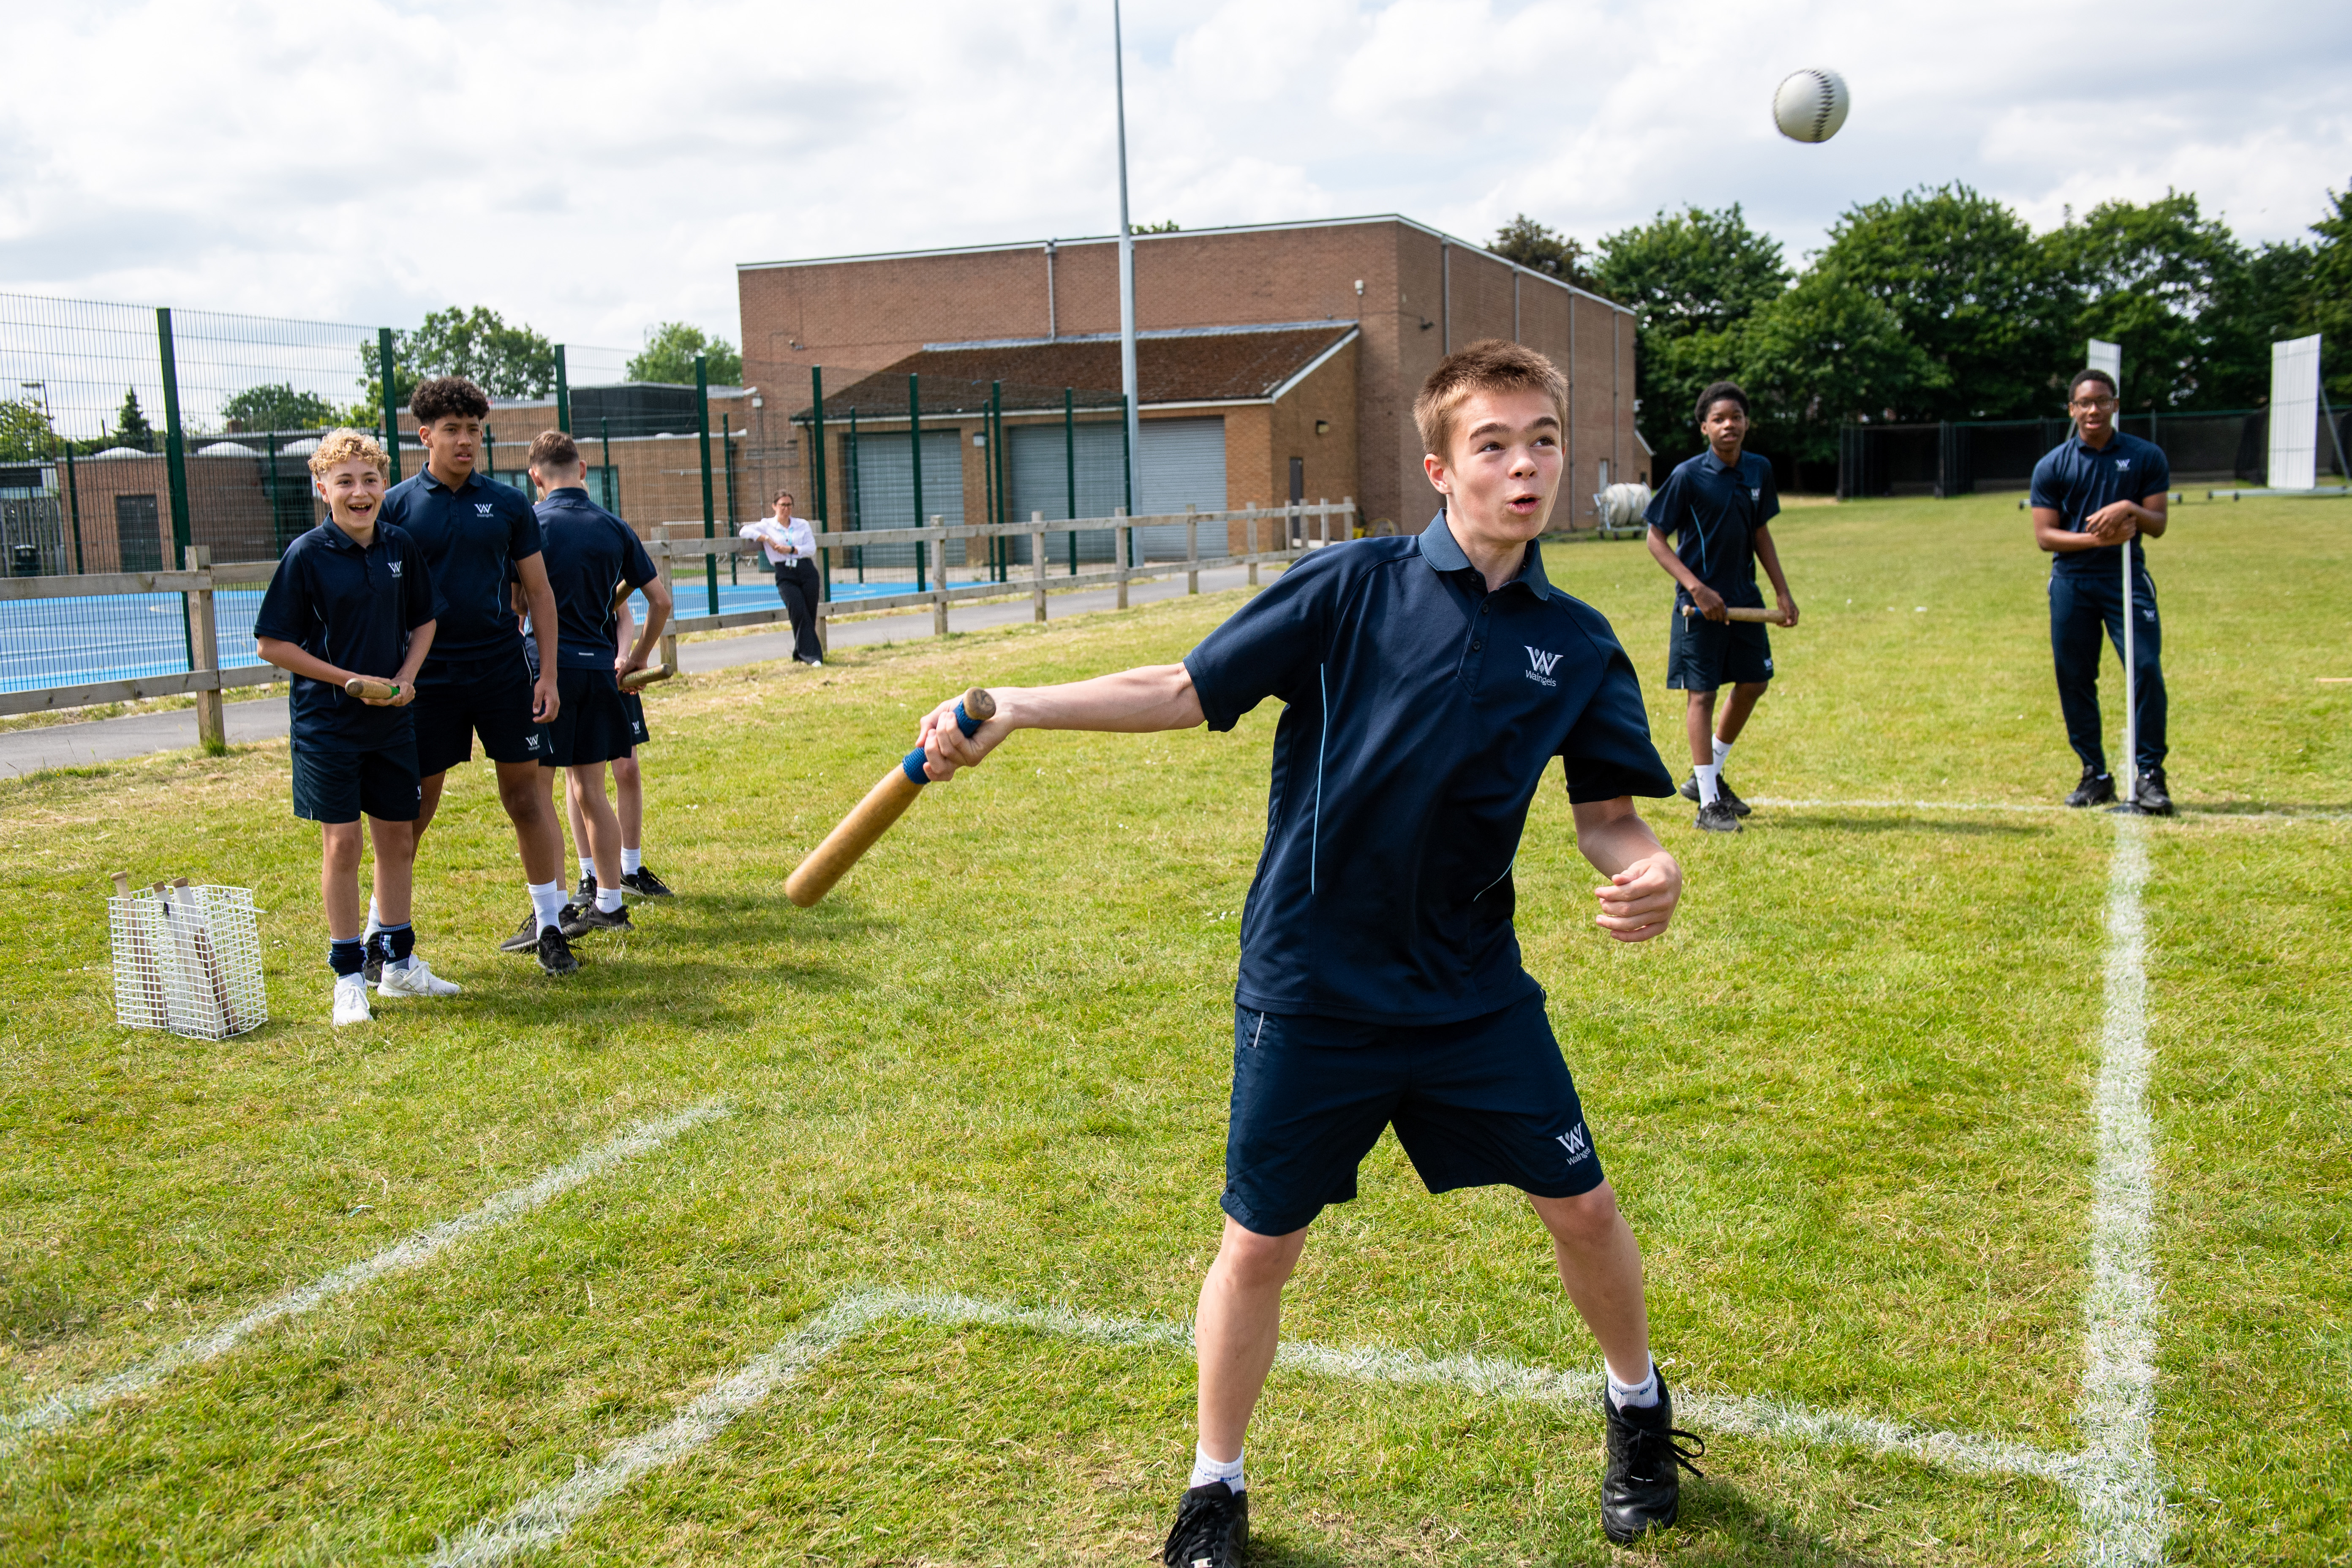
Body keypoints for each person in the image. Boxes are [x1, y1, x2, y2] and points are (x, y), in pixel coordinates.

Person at [913, 340, 1702, 1559]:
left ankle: (1639, 1409)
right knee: (1260, 1243)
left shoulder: (1580, 641)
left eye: (1542, 438)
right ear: (1441, 469)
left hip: (1470, 995)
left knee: (1584, 1209)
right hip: (1313, 987)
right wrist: (1018, 703)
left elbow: (1606, 819)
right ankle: (1214, 1485)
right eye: (1492, 444)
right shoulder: (1350, 587)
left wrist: (1648, 868)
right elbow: (1183, 687)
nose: (1524, 464)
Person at [378, 376, 579, 977]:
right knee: (412, 810)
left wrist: (547, 675)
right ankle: (379, 939)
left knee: (527, 798)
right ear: (426, 436)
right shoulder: (395, 506)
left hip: (500, 670)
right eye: (452, 431)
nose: (465, 442)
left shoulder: (511, 503)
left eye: (474, 431)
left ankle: (551, 926)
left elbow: (539, 593)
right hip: (427, 681)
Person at [252, 429, 453, 1024]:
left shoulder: (400, 546)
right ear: (323, 490)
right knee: (344, 844)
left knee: (397, 840)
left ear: (384, 486)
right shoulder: (307, 555)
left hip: (391, 723)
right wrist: (346, 680)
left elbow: (425, 622)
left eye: (369, 480)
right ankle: (348, 978)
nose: (359, 492)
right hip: (328, 726)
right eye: (345, 482)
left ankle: (398, 967)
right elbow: (272, 644)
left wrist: (407, 679)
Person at [522, 430, 673, 940]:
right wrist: (636, 658)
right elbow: (662, 602)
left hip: (547, 672)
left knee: (539, 793)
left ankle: (555, 911)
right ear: (583, 470)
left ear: (535, 477)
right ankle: (609, 903)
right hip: (597, 671)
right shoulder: (614, 525)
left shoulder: (529, 524)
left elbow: (519, 605)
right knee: (591, 788)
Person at [1643, 380, 1798, 834]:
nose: (1729, 425)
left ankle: (1705, 776)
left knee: (1754, 682)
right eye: (1719, 419)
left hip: (1745, 600)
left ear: (1747, 423)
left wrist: (1782, 592)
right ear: (1705, 428)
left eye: (1737, 417)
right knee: (1704, 694)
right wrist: (1696, 588)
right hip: (1698, 606)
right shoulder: (1688, 476)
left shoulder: (1759, 470)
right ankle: (1709, 805)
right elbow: (1656, 538)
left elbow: (1760, 533)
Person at [2030, 368, 2174, 814]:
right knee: (2074, 677)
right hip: (2072, 583)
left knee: (2145, 668)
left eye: (2102, 401)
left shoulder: (2145, 456)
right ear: (2072, 409)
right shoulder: (2053, 465)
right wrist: (2098, 539)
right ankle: (2096, 773)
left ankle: (2150, 775)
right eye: (2085, 403)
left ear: (2115, 405)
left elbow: (2159, 524)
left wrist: (2128, 507)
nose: (2094, 410)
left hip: (2125, 579)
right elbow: (2046, 537)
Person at [564, 590, 676, 906]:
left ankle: (631, 868)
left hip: (613, 672)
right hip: (573, 669)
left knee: (627, 768)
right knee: (581, 779)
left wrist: (622, 657)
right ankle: (589, 874)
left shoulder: (604, 547)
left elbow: (623, 617)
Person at [740, 488, 823, 665]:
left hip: (806, 570)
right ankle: (814, 657)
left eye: (789, 505)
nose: (786, 509)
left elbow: (811, 548)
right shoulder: (767, 525)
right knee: (797, 610)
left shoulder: (802, 524)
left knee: (809, 613)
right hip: (785, 573)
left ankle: (800, 654)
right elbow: (744, 532)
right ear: (774, 506)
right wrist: (765, 538)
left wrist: (792, 550)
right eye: (782, 505)